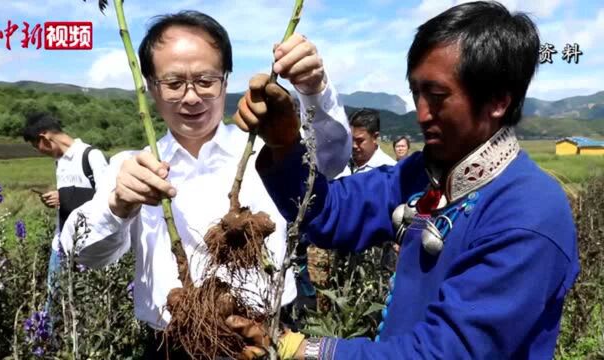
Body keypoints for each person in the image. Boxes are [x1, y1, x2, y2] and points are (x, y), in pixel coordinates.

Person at [228, 2, 580, 359]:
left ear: (498, 101)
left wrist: (303, 350)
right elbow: (329, 214)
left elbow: (443, 353)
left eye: (438, 97)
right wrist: (285, 145)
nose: (422, 114)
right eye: (416, 93)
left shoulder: (529, 214)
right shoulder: (423, 173)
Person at [59, 10, 350, 358]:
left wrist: (313, 88)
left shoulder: (267, 153)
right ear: (151, 87)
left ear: (225, 82)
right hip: (172, 345)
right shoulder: (130, 167)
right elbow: (80, 253)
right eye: (173, 83)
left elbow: (331, 161)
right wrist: (117, 206)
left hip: (263, 339)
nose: (192, 96)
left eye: (205, 80)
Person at [21, 112, 109, 313]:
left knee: (88, 302)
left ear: (44, 137)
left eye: (36, 146)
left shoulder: (90, 155)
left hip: (89, 244)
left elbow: (108, 197)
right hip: (60, 243)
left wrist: (65, 197)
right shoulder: (59, 161)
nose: (38, 151)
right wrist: (57, 200)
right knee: (55, 300)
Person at [337, 108, 396, 178]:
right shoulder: (340, 164)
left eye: (360, 141)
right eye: (350, 139)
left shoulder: (389, 171)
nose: (354, 145)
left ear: (375, 137)